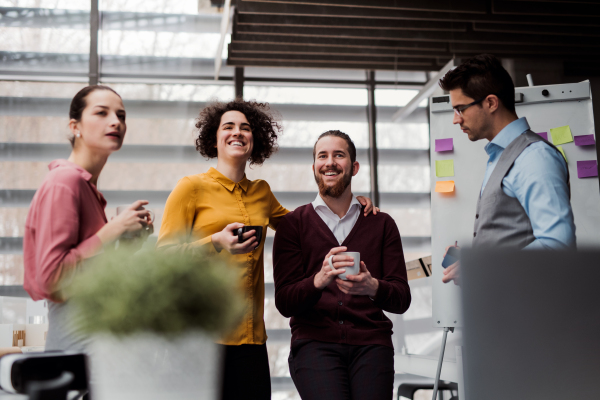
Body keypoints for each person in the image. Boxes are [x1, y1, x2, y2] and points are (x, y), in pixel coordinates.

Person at [157, 100, 376, 400]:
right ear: (214, 138)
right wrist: (216, 243)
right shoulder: (190, 188)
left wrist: (350, 202)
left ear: (255, 139)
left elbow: (305, 226)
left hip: (250, 341)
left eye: (245, 128)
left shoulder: (261, 192)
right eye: (228, 127)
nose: (238, 132)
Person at [272, 130, 411, 400]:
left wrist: (373, 287)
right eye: (322, 156)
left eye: (339, 155)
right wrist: (318, 280)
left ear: (354, 167)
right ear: (314, 168)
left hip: (372, 344)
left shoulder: (381, 224)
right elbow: (284, 302)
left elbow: (401, 298)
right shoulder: (293, 225)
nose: (330, 162)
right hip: (314, 343)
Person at [23, 85, 153, 352]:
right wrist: (112, 230)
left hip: (96, 348)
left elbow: (89, 276)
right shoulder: (64, 181)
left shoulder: (87, 188)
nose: (115, 121)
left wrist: (127, 245)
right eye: (101, 113)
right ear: (75, 126)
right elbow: (51, 278)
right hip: (75, 352)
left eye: (121, 115)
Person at [438, 54, 576, 285]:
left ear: (491, 103)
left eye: (460, 109)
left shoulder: (534, 157)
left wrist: (481, 265)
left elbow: (557, 244)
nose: (455, 119)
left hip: (528, 314)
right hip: (503, 309)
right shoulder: (499, 155)